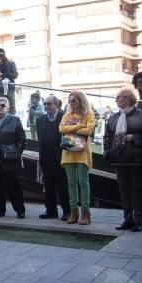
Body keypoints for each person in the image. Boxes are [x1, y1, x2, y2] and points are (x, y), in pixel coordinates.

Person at [103, 86, 142, 232]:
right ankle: (128, 219)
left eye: (120, 97)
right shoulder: (113, 117)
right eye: (117, 97)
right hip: (119, 160)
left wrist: (134, 138)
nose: (117, 99)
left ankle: (138, 222)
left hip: (137, 160)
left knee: (138, 191)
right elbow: (107, 137)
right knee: (123, 191)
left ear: (129, 99)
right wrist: (107, 152)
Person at [59, 91, 95, 225]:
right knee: (71, 183)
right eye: (70, 100)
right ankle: (74, 212)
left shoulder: (89, 114)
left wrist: (71, 129)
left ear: (81, 101)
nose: (71, 103)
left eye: (74, 100)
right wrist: (79, 126)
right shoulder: (66, 115)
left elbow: (89, 131)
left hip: (82, 153)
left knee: (83, 183)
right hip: (68, 152)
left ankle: (85, 212)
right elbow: (61, 129)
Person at [36, 95, 70, 221]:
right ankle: (51, 210)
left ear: (57, 105)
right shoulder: (40, 120)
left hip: (61, 158)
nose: (46, 106)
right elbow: (41, 140)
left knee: (63, 186)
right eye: (45, 104)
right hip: (46, 158)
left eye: (49, 104)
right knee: (48, 186)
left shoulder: (65, 118)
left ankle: (67, 211)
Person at [0, 48, 18, 114]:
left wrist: (2, 75)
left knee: (10, 108)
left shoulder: (11, 63)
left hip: (9, 89)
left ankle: (12, 123)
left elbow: (15, 75)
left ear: (2, 54)